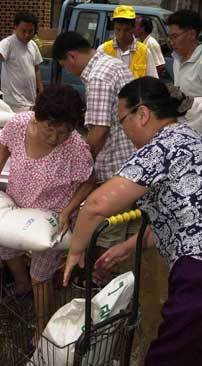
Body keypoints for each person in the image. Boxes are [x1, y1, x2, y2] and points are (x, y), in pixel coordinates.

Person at [63, 76, 202, 365]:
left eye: (121, 120)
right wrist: (126, 248)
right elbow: (179, 218)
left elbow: (96, 205)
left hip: (197, 268)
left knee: (170, 355)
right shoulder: (189, 137)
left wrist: (75, 252)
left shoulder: (161, 147)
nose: (122, 130)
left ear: (142, 114)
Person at [0, 85, 95, 333]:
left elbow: (88, 180)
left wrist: (67, 211)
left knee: (40, 276)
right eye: (50, 129)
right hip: (17, 203)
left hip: (52, 215)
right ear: (37, 118)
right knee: (8, 250)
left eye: (64, 132)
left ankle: (42, 325)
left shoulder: (76, 148)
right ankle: (22, 287)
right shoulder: (19, 124)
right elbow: (4, 144)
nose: (55, 139)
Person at [52, 31, 139, 270]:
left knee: (109, 232)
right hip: (134, 159)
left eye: (64, 66)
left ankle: (105, 283)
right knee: (132, 229)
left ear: (71, 57)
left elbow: (99, 131)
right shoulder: (113, 63)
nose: (69, 71)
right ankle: (130, 280)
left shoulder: (98, 77)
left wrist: (83, 165)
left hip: (116, 167)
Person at [0, 11, 44, 112]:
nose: (27, 35)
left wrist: (41, 91)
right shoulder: (8, 43)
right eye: (23, 31)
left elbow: (36, 69)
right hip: (14, 102)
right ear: (15, 27)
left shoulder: (33, 45)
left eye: (30, 31)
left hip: (31, 100)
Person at [97, 5, 158, 79]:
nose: (121, 35)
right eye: (118, 29)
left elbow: (152, 81)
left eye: (126, 30)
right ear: (113, 27)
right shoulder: (103, 50)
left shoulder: (144, 52)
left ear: (133, 28)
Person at [167, 9, 202, 97]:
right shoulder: (177, 59)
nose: (171, 42)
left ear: (192, 34)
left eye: (175, 36)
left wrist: (186, 102)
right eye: (170, 37)